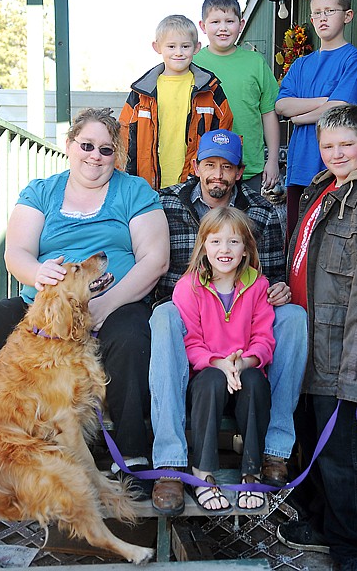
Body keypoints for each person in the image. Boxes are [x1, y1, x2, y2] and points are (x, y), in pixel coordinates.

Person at [0, 107, 170, 500]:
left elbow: (155, 259)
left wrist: (105, 307)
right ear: (70, 145)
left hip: (115, 300)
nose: (95, 156)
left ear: (117, 155)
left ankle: (133, 454)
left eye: (106, 150)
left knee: (130, 337)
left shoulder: (134, 191)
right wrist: (38, 273)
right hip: (45, 308)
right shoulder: (42, 191)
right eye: (86, 145)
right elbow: (17, 251)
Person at [276, 105, 357, 571]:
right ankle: (318, 523)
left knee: (342, 457)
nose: (336, 154)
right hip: (310, 341)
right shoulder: (325, 189)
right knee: (312, 443)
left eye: (346, 145)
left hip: (343, 353)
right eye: (327, 146)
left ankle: (354, 549)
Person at [149, 129, 308, 515]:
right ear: (196, 167)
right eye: (210, 165)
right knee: (164, 314)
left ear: (239, 172)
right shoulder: (166, 203)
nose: (217, 174)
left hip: (241, 314)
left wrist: (277, 294)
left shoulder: (261, 211)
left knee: (294, 318)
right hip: (183, 311)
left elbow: (267, 279)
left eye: (227, 167)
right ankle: (170, 461)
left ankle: (274, 450)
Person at [173, 207, 275, 512]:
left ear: (246, 249)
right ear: (204, 246)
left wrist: (243, 364)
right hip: (208, 377)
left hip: (245, 372)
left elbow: (264, 338)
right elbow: (191, 343)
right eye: (216, 242)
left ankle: (251, 471)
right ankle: (203, 473)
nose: (225, 250)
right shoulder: (189, 288)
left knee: (257, 380)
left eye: (233, 242)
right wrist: (220, 363)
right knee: (211, 381)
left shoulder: (258, 286)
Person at [275, 0, 357, 243]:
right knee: (296, 239)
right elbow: (282, 106)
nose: (321, 18)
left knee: (325, 241)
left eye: (329, 11)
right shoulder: (301, 64)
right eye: (316, 13)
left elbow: (341, 107)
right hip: (300, 164)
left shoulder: (352, 58)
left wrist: (300, 116)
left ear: (347, 16)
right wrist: (325, 100)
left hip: (333, 166)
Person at [119, 14, 233, 190]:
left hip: (194, 183)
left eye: (185, 46)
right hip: (147, 184)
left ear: (196, 48)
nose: (178, 52)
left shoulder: (210, 89)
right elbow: (123, 136)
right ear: (157, 47)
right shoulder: (141, 92)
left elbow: (224, 133)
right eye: (171, 46)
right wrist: (122, 177)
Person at [194, 0, 280, 193]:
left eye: (229, 21)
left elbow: (268, 113)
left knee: (247, 223)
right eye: (215, 21)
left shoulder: (255, 63)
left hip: (249, 166)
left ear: (241, 25)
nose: (223, 28)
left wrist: (273, 160)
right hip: (206, 168)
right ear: (203, 26)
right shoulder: (193, 64)